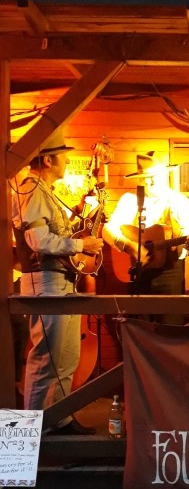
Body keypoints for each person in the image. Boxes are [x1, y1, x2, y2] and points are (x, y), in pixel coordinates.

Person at [11, 130, 104, 435]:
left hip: (59, 282)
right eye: (63, 155)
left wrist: (81, 220)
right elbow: (38, 241)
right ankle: (30, 434)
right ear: (49, 160)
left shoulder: (43, 191)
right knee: (45, 362)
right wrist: (81, 245)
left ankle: (58, 420)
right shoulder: (32, 190)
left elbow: (51, 234)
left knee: (65, 359)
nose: (66, 161)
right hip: (47, 283)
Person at [102, 152, 189, 324]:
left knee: (170, 326)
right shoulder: (130, 200)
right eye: (145, 178)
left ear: (165, 175)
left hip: (169, 273)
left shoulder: (178, 201)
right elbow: (108, 229)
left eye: (155, 176)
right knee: (140, 327)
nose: (150, 182)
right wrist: (128, 245)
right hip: (138, 272)